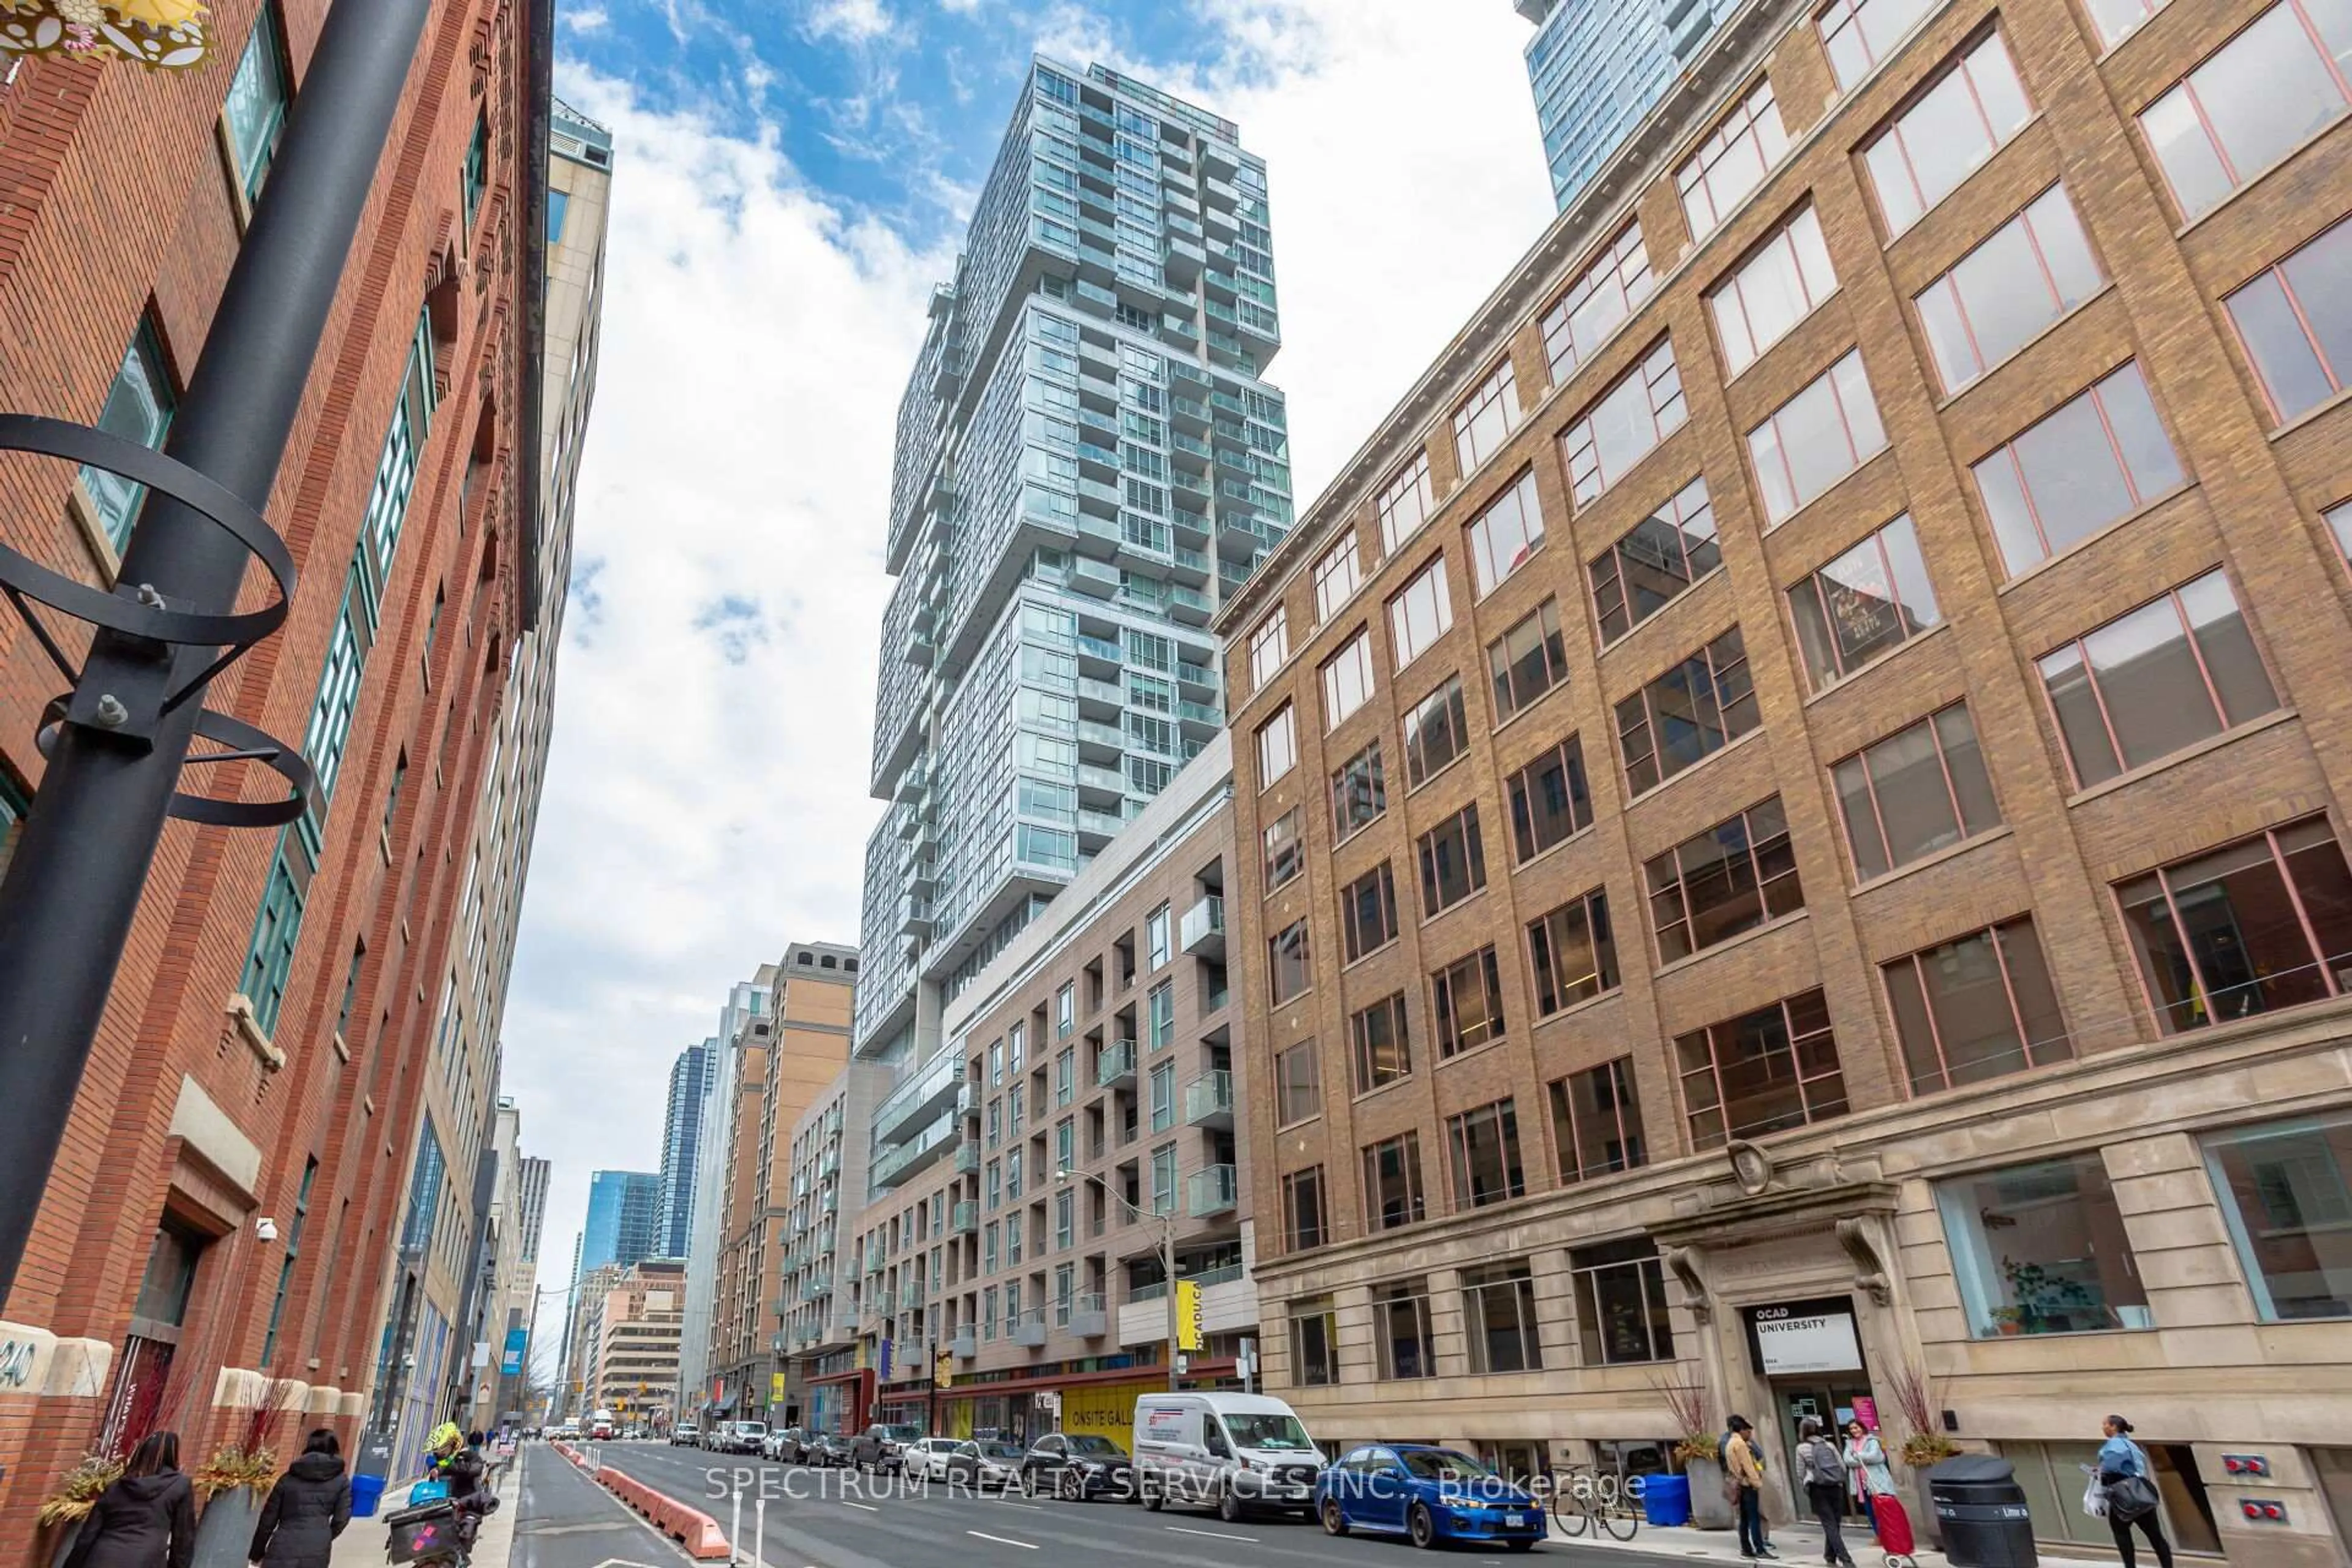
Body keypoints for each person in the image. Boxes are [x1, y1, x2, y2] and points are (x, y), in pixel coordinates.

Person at [62, 1431, 197, 1568]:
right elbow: (183, 1540)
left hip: (101, 1558)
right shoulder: (180, 1486)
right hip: (146, 1560)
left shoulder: (116, 1486)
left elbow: (88, 1535)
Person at [248, 1430, 352, 1568]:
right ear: (334, 1448)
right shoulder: (341, 1481)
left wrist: (256, 1554)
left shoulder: (288, 1478)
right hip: (317, 1548)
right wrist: (324, 1535)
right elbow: (341, 1519)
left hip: (284, 1544)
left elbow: (268, 1520)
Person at [2098, 1415, 2174, 1568]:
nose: (2103, 1427)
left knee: (2121, 1534)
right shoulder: (2131, 1444)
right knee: (2156, 1536)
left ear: (2113, 1427)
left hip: (2123, 1494)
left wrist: (2099, 1471)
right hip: (2141, 1492)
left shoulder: (2115, 1444)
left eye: (2105, 1424)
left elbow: (2111, 1467)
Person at [1795, 1419, 1856, 1568]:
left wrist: (1806, 1486)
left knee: (1829, 1524)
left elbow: (1800, 1472)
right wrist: (1839, 1481)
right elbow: (1842, 1466)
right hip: (1835, 1486)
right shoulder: (1829, 1445)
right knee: (1834, 1523)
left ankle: (1846, 1559)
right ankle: (1830, 1557)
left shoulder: (1801, 1448)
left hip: (1817, 1487)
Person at [1724, 1416, 1774, 1560]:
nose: (1750, 1434)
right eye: (1748, 1431)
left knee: (1744, 1519)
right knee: (1753, 1518)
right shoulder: (1740, 1444)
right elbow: (1748, 1466)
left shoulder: (1730, 1443)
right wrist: (1757, 1483)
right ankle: (1760, 1549)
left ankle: (1746, 1548)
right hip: (1747, 1484)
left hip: (1740, 1484)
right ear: (1742, 1430)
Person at [1843, 1421, 1893, 1529]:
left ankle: (1889, 1534)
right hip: (1861, 1485)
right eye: (1851, 1429)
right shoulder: (1850, 1444)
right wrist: (1864, 1460)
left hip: (1876, 1482)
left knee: (1882, 1512)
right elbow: (1847, 1460)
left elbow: (1875, 1457)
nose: (1854, 1431)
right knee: (1871, 1513)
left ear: (1862, 1428)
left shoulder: (1872, 1441)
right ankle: (1879, 1535)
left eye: (1856, 1428)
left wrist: (1856, 1455)